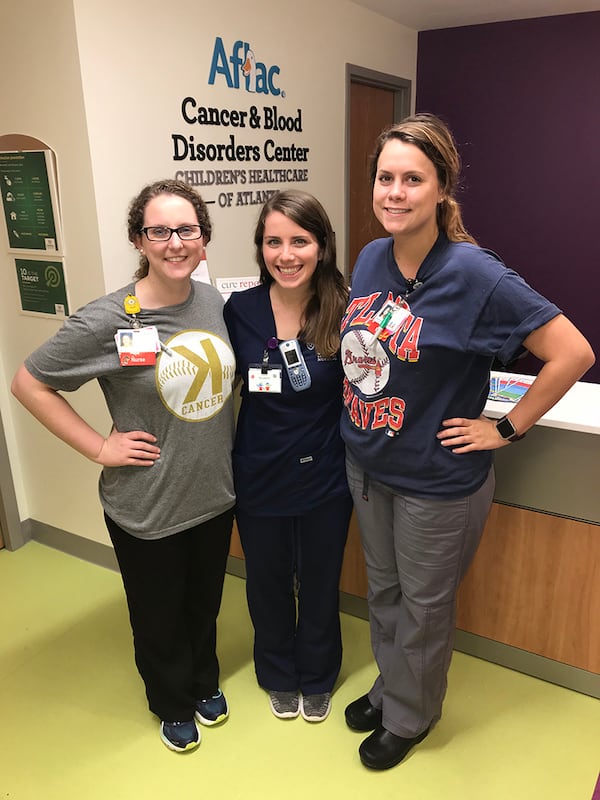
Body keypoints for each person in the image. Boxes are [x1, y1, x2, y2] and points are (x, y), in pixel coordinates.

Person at [340, 114, 595, 770]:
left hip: (437, 479)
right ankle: (391, 685)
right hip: (369, 463)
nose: (394, 192)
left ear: (442, 187)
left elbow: (571, 352)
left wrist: (505, 427)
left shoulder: (477, 275)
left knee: (423, 608)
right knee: (386, 592)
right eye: (385, 177)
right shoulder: (371, 255)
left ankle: (411, 716)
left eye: (412, 179)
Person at [11, 179, 236, 753]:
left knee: (204, 601)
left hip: (212, 492)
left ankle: (204, 681)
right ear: (140, 239)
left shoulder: (210, 301)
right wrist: (98, 447)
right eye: (159, 231)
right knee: (158, 615)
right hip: (147, 501)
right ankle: (171, 700)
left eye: (186, 230)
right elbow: (28, 382)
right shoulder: (109, 317)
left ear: (204, 240)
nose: (175, 242)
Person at [223, 190, 353, 723]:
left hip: (326, 475)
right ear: (261, 248)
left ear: (321, 246)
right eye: (273, 241)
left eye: (300, 240)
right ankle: (278, 670)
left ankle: (318, 673)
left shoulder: (346, 308)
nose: (287, 254)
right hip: (259, 473)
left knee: (321, 580)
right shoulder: (239, 311)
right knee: (268, 582)